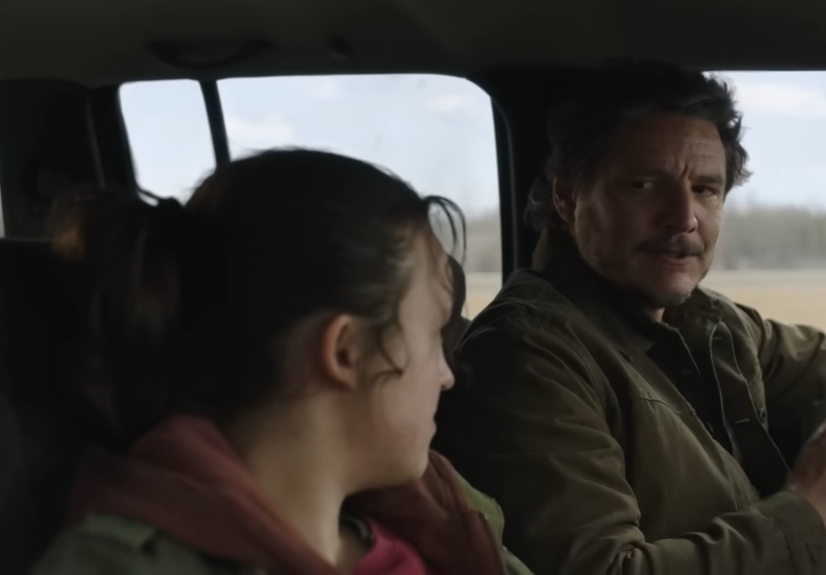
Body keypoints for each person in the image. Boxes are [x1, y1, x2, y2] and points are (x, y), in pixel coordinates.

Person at [433, 61, 826, 575]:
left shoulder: (707, 322)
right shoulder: (528, 357)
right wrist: (811, 508)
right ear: (567, 197)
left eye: (706, 189)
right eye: (644, 186)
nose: (684, 217)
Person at [32, 150, 534, 575]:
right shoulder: (113, 565)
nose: (446, 376)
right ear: (344, 351)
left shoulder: (435, 511)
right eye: (431, 335)